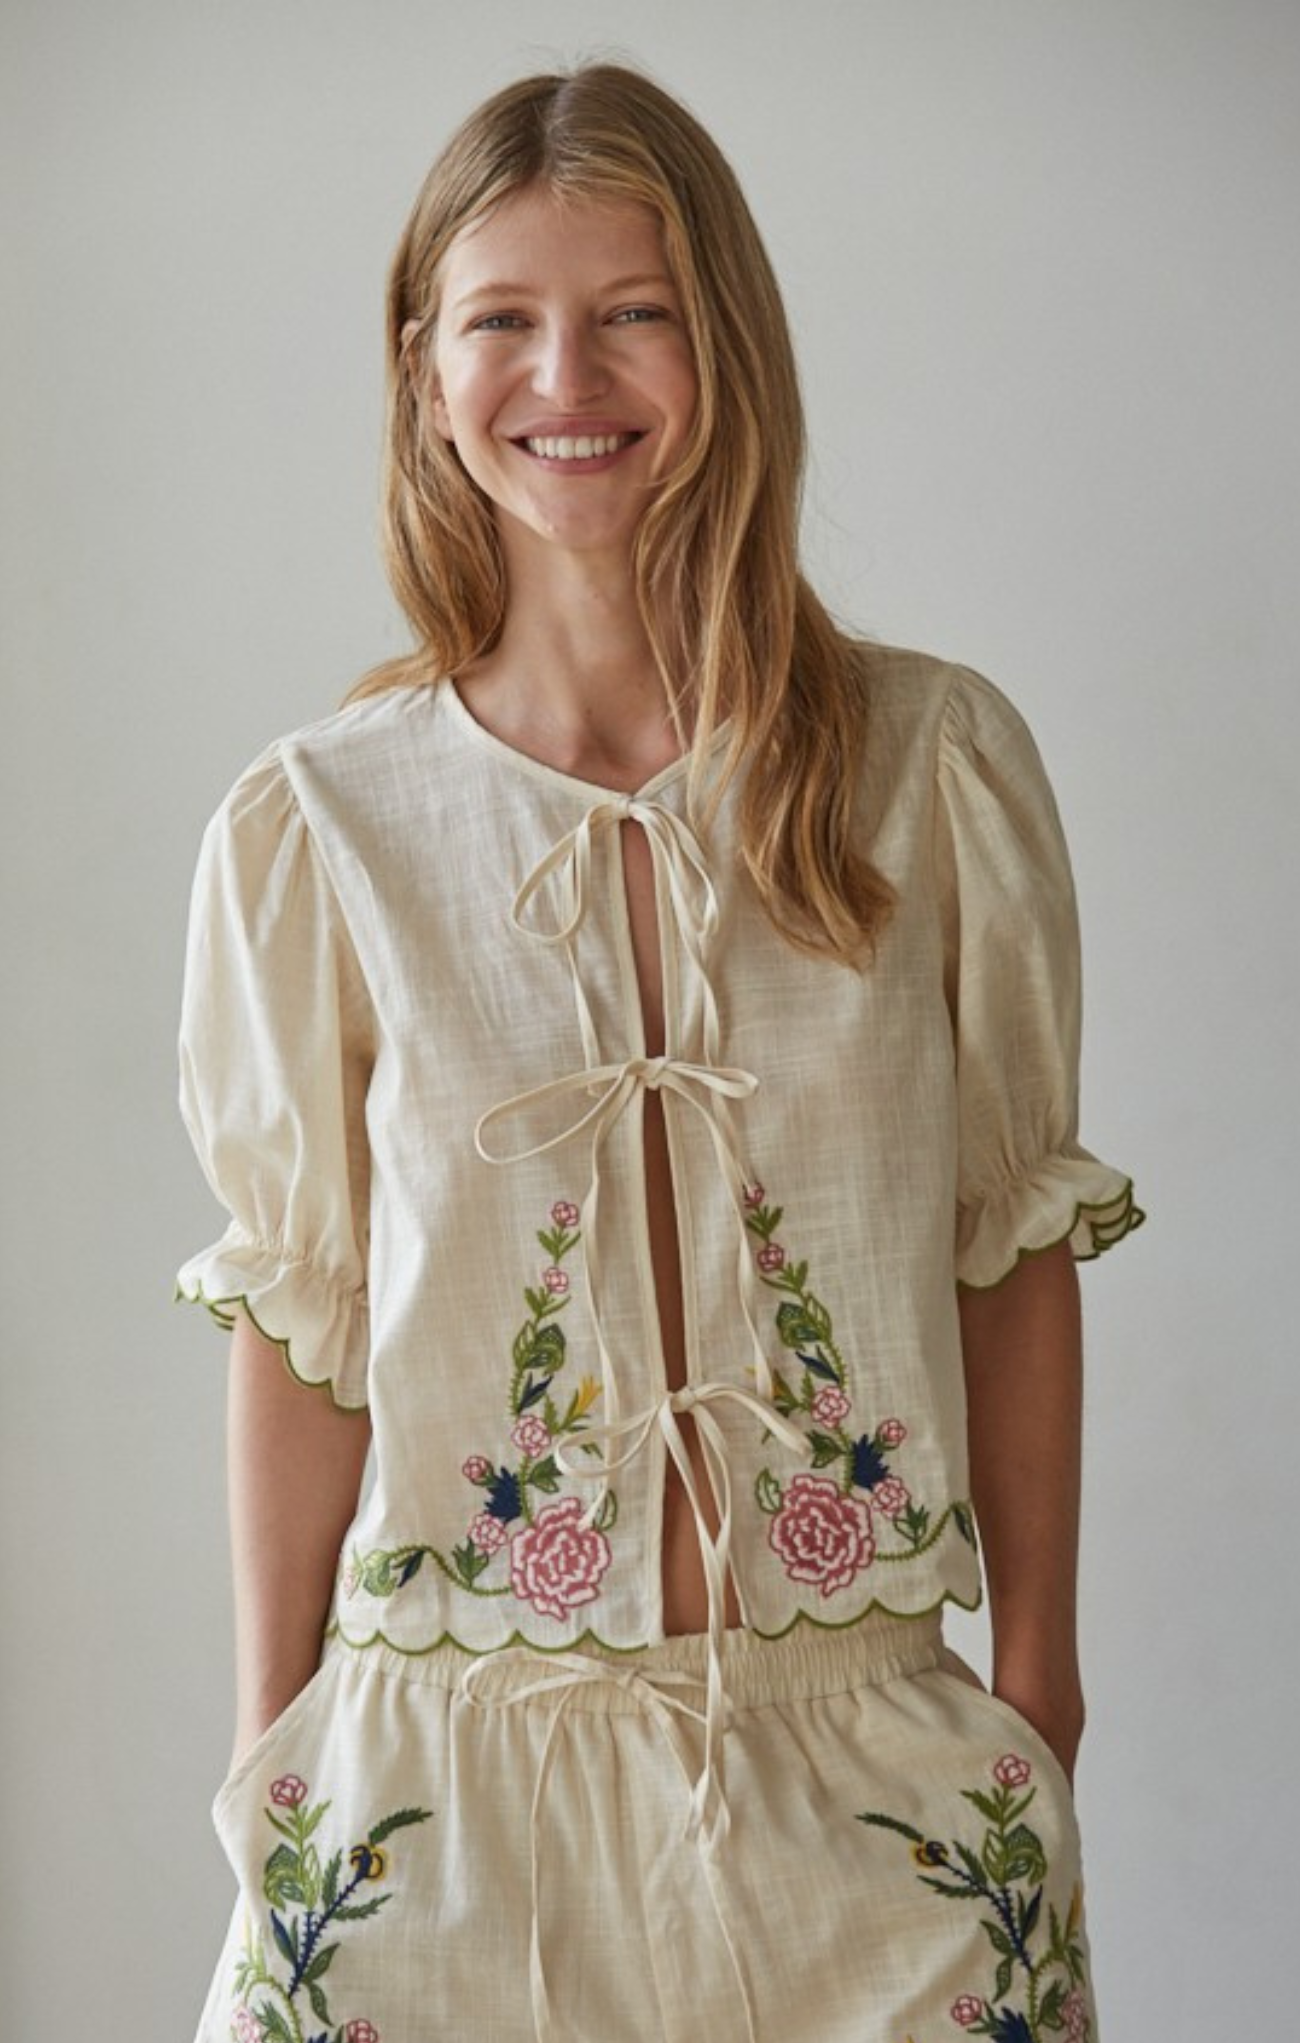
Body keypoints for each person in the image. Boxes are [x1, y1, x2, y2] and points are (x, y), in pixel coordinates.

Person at [177, 62, 1141, 2043]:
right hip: (439, 1777)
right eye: (500, 317)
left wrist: (1032, 1686)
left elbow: (1004, 1243)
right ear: (423, 367)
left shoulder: (925, 766)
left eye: (635, 309)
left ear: (727, 345)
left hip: (861, 1767)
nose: (569, 372)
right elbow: (306, 1319)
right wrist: (275, 1748)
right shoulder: (316, 829)